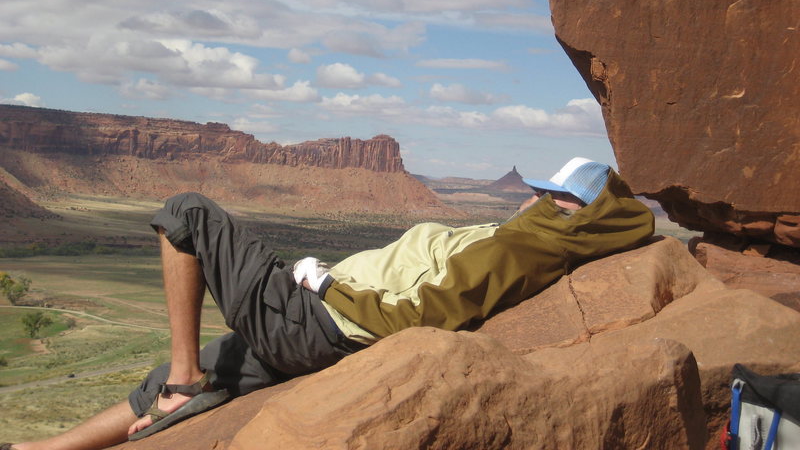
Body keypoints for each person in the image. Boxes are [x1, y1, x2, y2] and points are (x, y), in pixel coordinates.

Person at [4, 157, 654, 450]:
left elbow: (423, 314)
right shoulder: (521, 236)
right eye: (538, 191)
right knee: (206, 369)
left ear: (576, 217)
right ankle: (57, 446)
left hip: (320, 319)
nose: (535, 199)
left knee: (186, 214)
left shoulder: (518, 249)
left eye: (554, 198)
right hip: (319, 325)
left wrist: (321, 282)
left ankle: (183, 382)